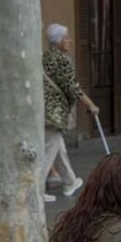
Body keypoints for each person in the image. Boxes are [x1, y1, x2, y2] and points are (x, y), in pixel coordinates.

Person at [41, 22, 96, 202]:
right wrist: (90, 105)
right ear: (58, 41)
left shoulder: (46, 56)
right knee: (50, 151)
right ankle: (35, 191)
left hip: (44, 111)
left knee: (58, 148)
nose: (70, 41)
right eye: (66, 38)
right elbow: (73, 87)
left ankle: (70, 182)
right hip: (54, 112)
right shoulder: (62, 60)